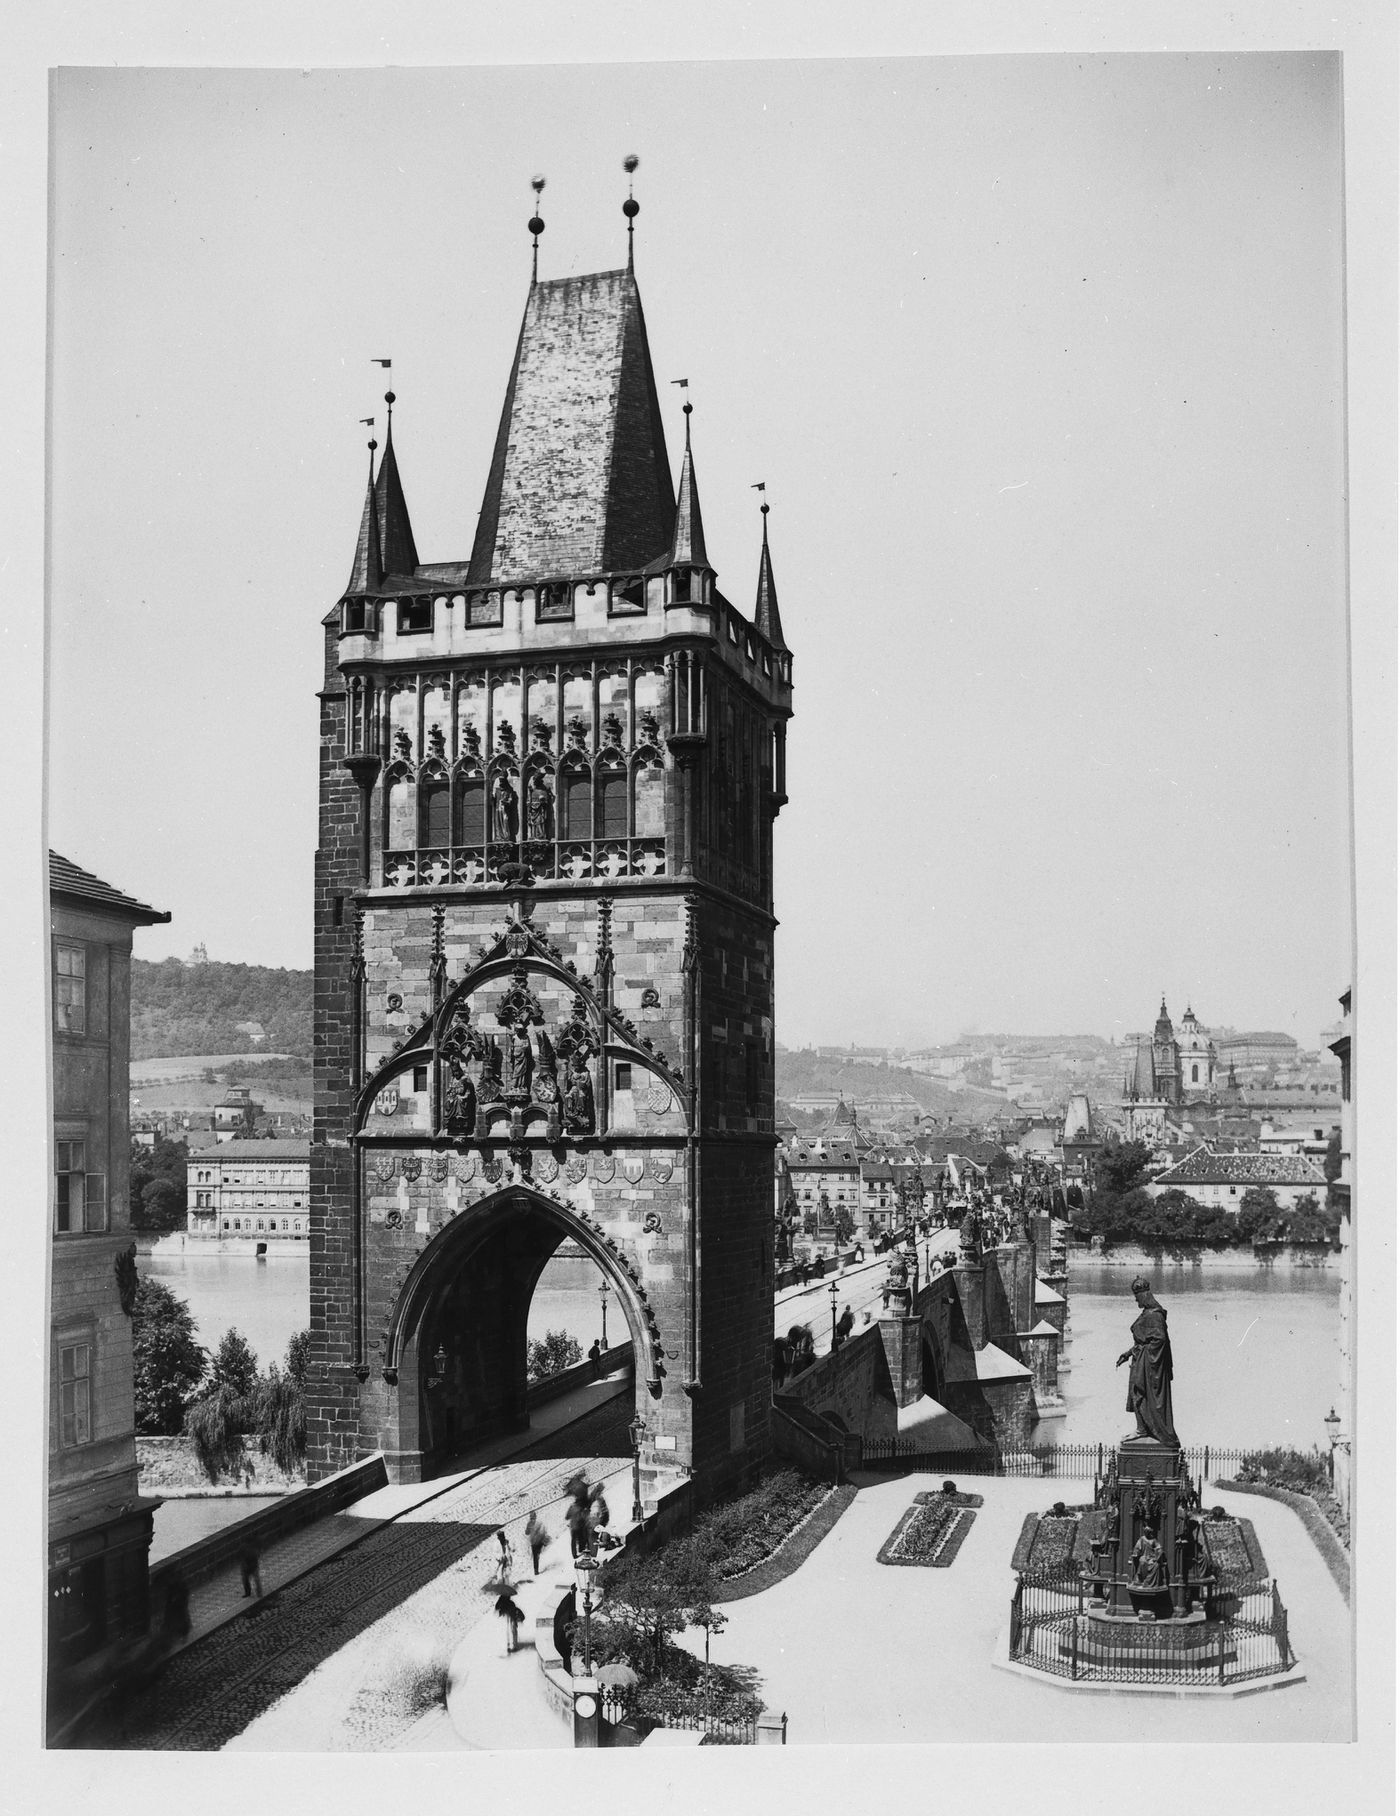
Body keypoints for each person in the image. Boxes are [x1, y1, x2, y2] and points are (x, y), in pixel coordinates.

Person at [1116, 1276, 1180, 1447]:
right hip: (1141, 1360)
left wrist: (1141, 1353)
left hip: (1150, 1365)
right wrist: (1129, 1353)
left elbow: (1160, 1341)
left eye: (1137, 1296)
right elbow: (1144, 1340)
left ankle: (1144, 1429)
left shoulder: (1155, 1316)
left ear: (1144, 1295)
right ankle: (1141, 1428)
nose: (1135, 1299)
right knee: (1137, 1393)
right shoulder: (1147, 1313)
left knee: (1139, 1392)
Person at [524, 1510, 548, 1576]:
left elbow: (526, 1533)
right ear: (535, 1516)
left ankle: (536, 1570)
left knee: (535, 1556)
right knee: (537, 1555)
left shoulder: (529, 1524)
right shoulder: (538, 1523)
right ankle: (539, 1554)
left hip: (533, 1542)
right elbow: (543, 1532)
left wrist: (528, 1529)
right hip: (539, 1541)